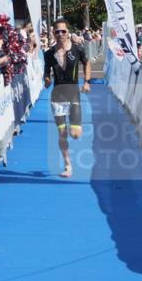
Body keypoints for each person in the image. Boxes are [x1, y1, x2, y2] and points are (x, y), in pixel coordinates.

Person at [43, 18, 91, 178]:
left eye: (63, 31)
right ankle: (68, 165)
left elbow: (87, 63)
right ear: (53, 33)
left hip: (73, 93)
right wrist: (47, 79)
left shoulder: (77, 49)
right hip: (57, 95)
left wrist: (87, 82)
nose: (61, 34)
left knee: (75, 134)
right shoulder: (49, 54)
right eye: (57, 31)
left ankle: (76, 127)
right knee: (62, 133)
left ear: (68, 32)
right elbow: (46, 72)